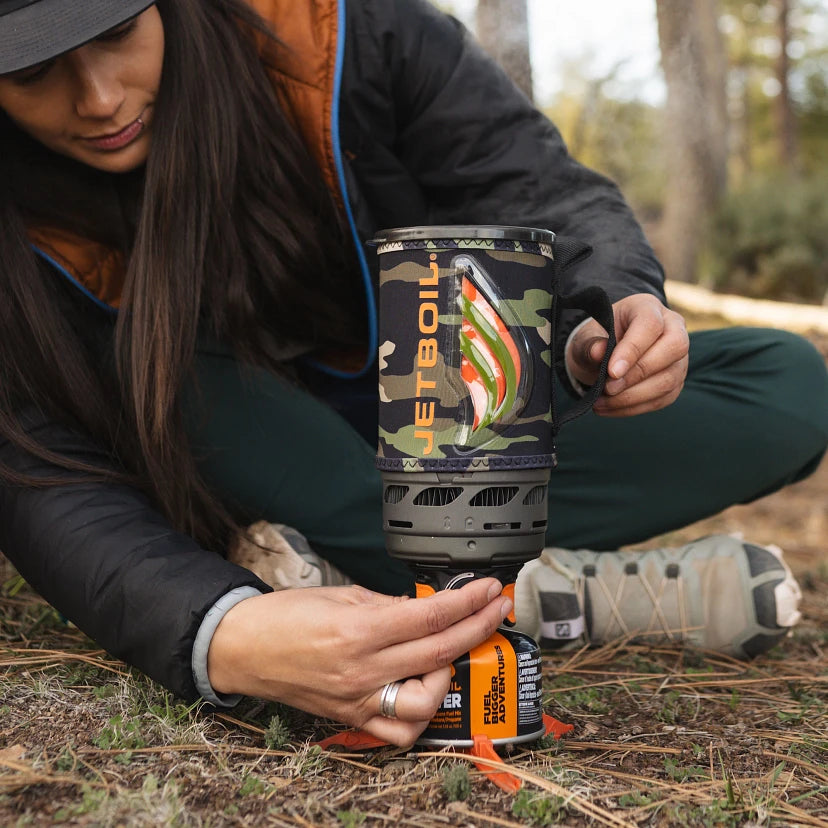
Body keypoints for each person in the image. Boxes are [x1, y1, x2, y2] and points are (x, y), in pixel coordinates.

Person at [0, 0, 825, 749]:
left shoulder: (340, 35)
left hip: (453, 435)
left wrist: (603, 317)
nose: (99, 99)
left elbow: (537, 187)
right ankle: (542, 596)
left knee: (785, 382)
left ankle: (387, 576)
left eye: (119, 33)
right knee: (159, 371)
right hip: (231, 463)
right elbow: (32, 475)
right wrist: (227, 634)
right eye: (33, 71)